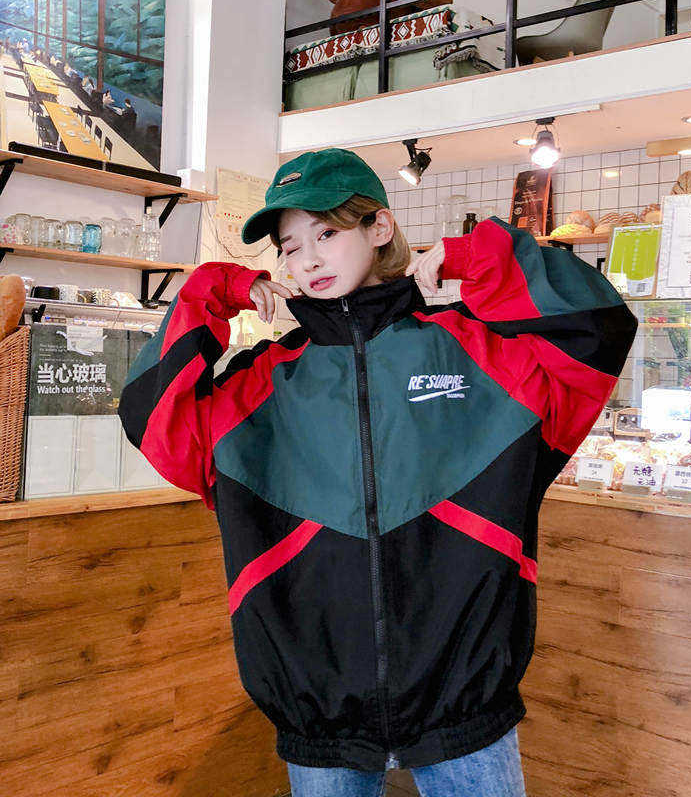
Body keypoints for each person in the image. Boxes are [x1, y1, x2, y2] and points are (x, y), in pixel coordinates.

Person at [117, 148, 638, 796]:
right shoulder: (256, 389)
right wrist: (211, 294)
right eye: (289, 247)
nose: (307, 260)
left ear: (380, 227)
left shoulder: (479, 354)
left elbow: (596, 324)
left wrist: (478, 258)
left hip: (465, 713)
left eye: (327, 234)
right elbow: (152, 416)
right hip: (321, 721)